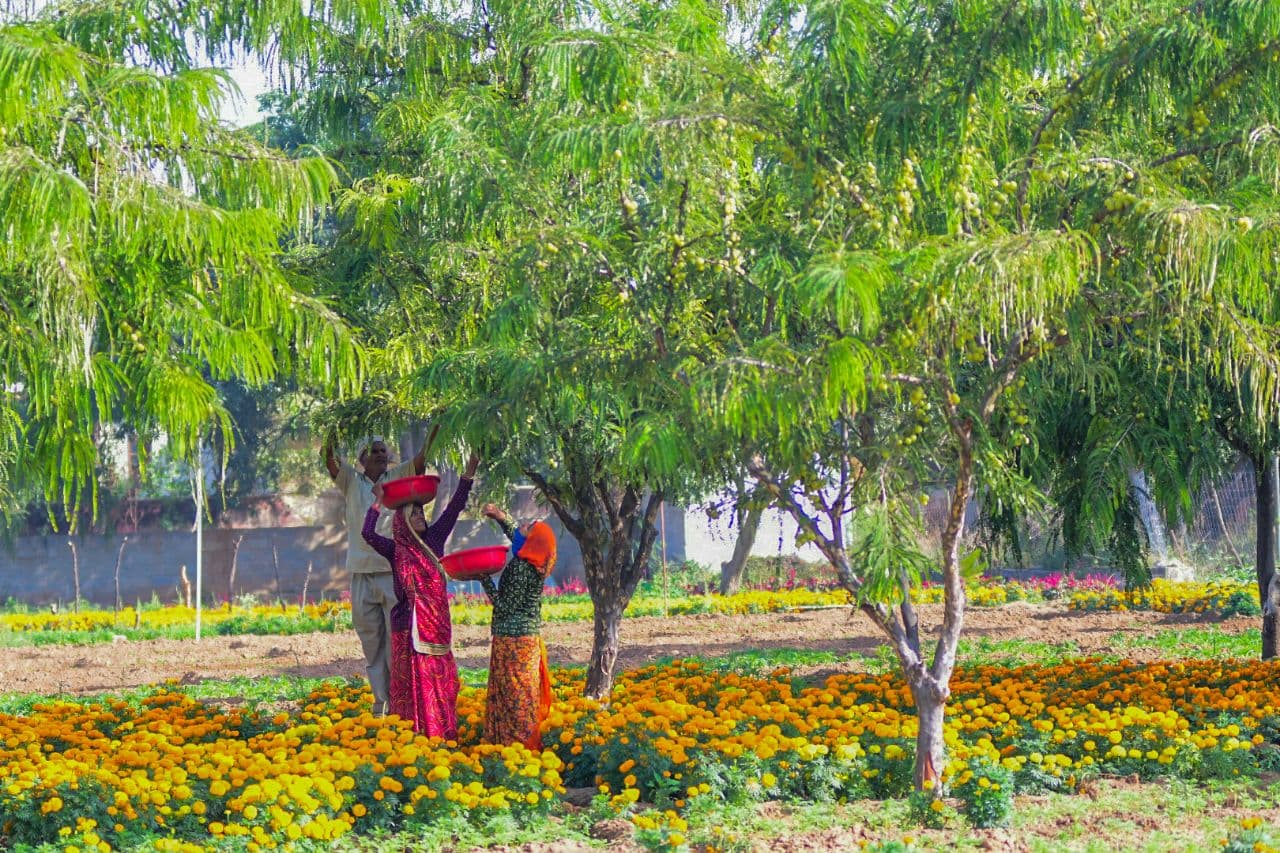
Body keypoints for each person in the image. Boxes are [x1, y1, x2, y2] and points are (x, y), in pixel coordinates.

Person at [363, 453, 479, 737]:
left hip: (435, 627)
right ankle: (412, 737)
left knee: (438, 682)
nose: (420, 516)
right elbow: (367, 533)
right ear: (401, 519)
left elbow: (454, 507)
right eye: (414, 513)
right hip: (406, 628)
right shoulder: (396, 550)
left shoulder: (435, 539)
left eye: (421, 512)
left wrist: (469, 472)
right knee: (411, 687)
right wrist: (378, 500)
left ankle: (441, 733)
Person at [324, 436, 426, 715]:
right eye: (375, 451)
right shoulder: (351, 482)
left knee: (396, 642)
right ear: (362, 459)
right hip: (360, 573)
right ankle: (381, 703)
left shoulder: (396, 477)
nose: (381, 455)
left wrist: (434, 432)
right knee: (372, 644)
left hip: (391, 571)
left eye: (384, 451)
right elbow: (330, 461)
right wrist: (332, 432)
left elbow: (419, 461)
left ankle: (400, 704)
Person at [477, 502, 556, 751]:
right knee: (521, 694)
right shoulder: (534, 561)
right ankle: (514, 747)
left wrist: (483, 578)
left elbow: (504, 606)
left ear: (532, 542)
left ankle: (518, 748)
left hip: (514, 643)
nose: (522, 527)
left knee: (515, 697)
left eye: (528, 528)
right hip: (523, 640)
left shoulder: (522, 568)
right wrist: (501, 517)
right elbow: (518, 536)